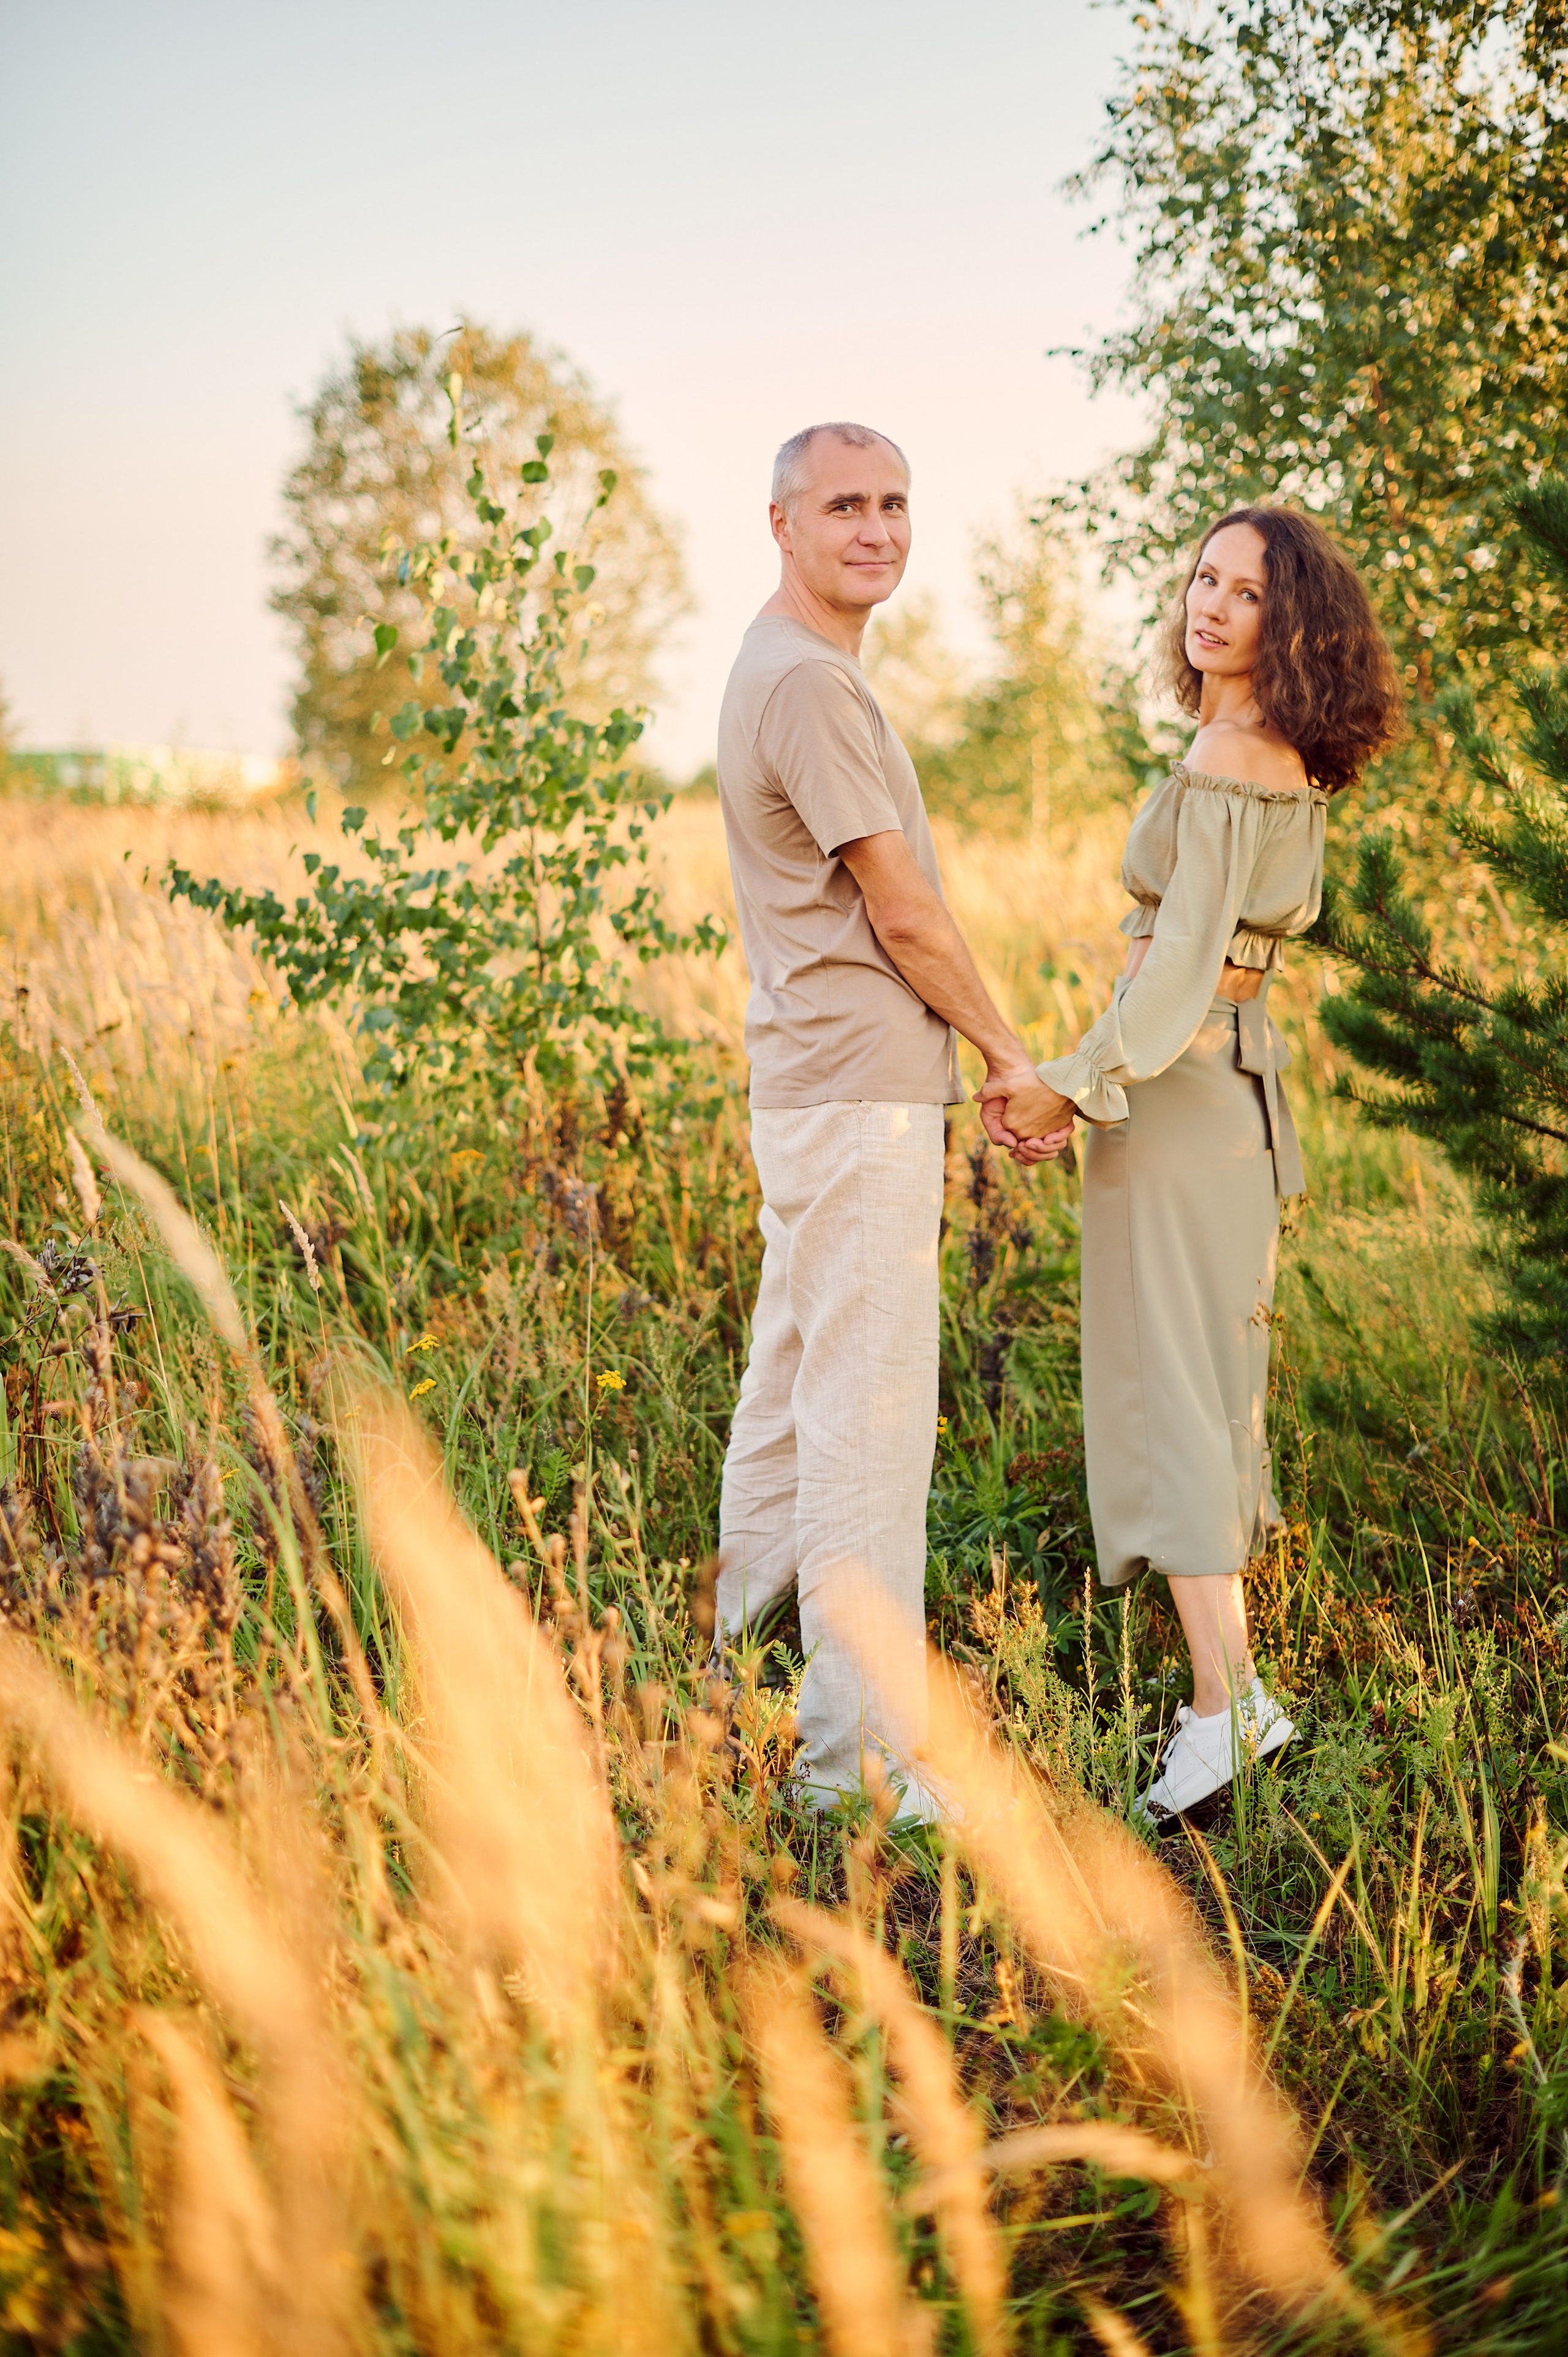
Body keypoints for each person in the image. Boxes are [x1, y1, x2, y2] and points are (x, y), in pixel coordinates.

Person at [997, 508, 1402, 1823]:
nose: (1210, 606)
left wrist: (1072, 1081)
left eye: (1247, 592)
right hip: (1222, 1085)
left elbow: (1175, 973)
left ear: (1292, 624)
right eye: (1201, 580)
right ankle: (1229, 1697)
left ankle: (1228, 1711)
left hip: (1176, 1093)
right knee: (1205, 1382)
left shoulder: (1233, 749)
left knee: (1172, 1384)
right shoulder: (1273, 752)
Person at [714, 420, 1071, 1821]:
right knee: (864, 1421)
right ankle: (851, 1762)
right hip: (855, 1094)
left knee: (791, 1396)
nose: (876, 528)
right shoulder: (807, 685)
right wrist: (1006, 1051)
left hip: (815, 1084)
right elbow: (901, 907)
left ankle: (733, 1660)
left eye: (896, 504)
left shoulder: (791, 666)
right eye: (845, 505)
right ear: (782, 523)